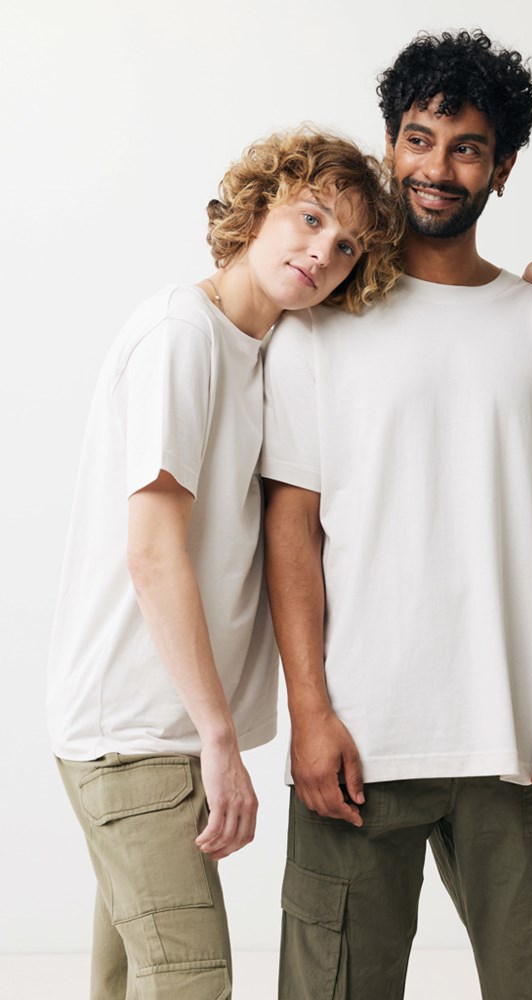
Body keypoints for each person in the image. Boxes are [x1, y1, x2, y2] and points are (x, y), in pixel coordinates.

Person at [261, 31, 532, 1000]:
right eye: (419, 139)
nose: (436, 167)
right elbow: (290, 524)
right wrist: (308, 710)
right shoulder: (318, 323)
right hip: (357, 738)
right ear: (390, 146)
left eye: (467, 147)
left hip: (517, 738)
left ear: (500, 169)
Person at [46, 129, 405, 1000]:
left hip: (158, 729)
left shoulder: (266, 350)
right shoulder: (185, 334)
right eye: (310, 218)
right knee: (191, 979)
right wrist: (217, 739)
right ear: (257, 207)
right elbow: (151, 549)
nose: (322, 252)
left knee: (131, 980)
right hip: (137, 733)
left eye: (346, 246)